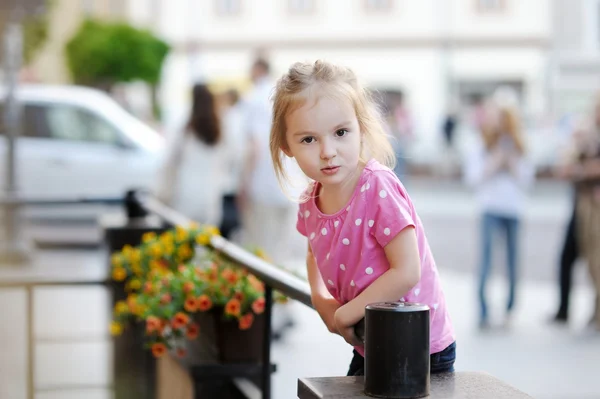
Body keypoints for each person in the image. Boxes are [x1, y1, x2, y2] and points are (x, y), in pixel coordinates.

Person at [269, 60, 456, 376]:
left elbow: (408, 270)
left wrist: (345, 315)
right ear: (286, 145)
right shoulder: (309, 200)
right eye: (308, 139)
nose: (328, 151)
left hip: (418, 346)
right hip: (369, 340)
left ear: (361, 127)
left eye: (341, 132)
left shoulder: (376, 187)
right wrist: (321, 300)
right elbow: (314, 254)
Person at [464, 103, 534, 330]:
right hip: (489, 208)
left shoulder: (519, 146)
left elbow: (527, 180)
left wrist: (511, 161)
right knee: (485, 260)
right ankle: (483, 310)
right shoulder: (480, 145)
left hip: (513, 209)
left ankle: (510, 310)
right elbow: (472, 179)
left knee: (513, 261)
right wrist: (494, 162)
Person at [557, 96, 600, 332]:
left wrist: (580, 170)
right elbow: (566, 167)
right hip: (583, 204)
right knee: (572, 257)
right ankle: (566, 309)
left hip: (593, 207)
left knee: (596, 260)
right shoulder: (589, 135)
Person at [156, 84, 226, 226]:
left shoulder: (186, 131)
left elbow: (169, 161)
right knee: (206, 241)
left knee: (184, 242)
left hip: (185, 195)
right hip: (210, 197)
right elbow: (228, 161)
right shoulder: (218, 131)